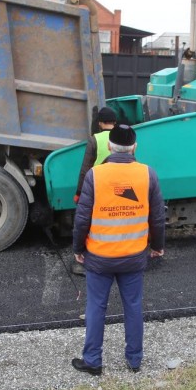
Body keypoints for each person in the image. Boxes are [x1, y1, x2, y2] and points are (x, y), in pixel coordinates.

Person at [71, 124, 165, 375]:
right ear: (134, 147)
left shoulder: (95, 175)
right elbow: (157, 217)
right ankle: (134, 361)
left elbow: (82, 219)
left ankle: (92, 361)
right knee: (133, 306)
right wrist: (157, 246)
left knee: (95, 307)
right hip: (134, 257)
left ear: (110, 146)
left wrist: (78, 248)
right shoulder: (148, 174)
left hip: (99, 258)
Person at [71, 106, 118, 275]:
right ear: (114, 122)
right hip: (118, 188)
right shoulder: (122, 138)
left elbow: (85, 169)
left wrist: (79, 192)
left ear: (99, 123)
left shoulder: (94, 140)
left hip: (98, 187)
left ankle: (82, 261)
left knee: (89, 224)